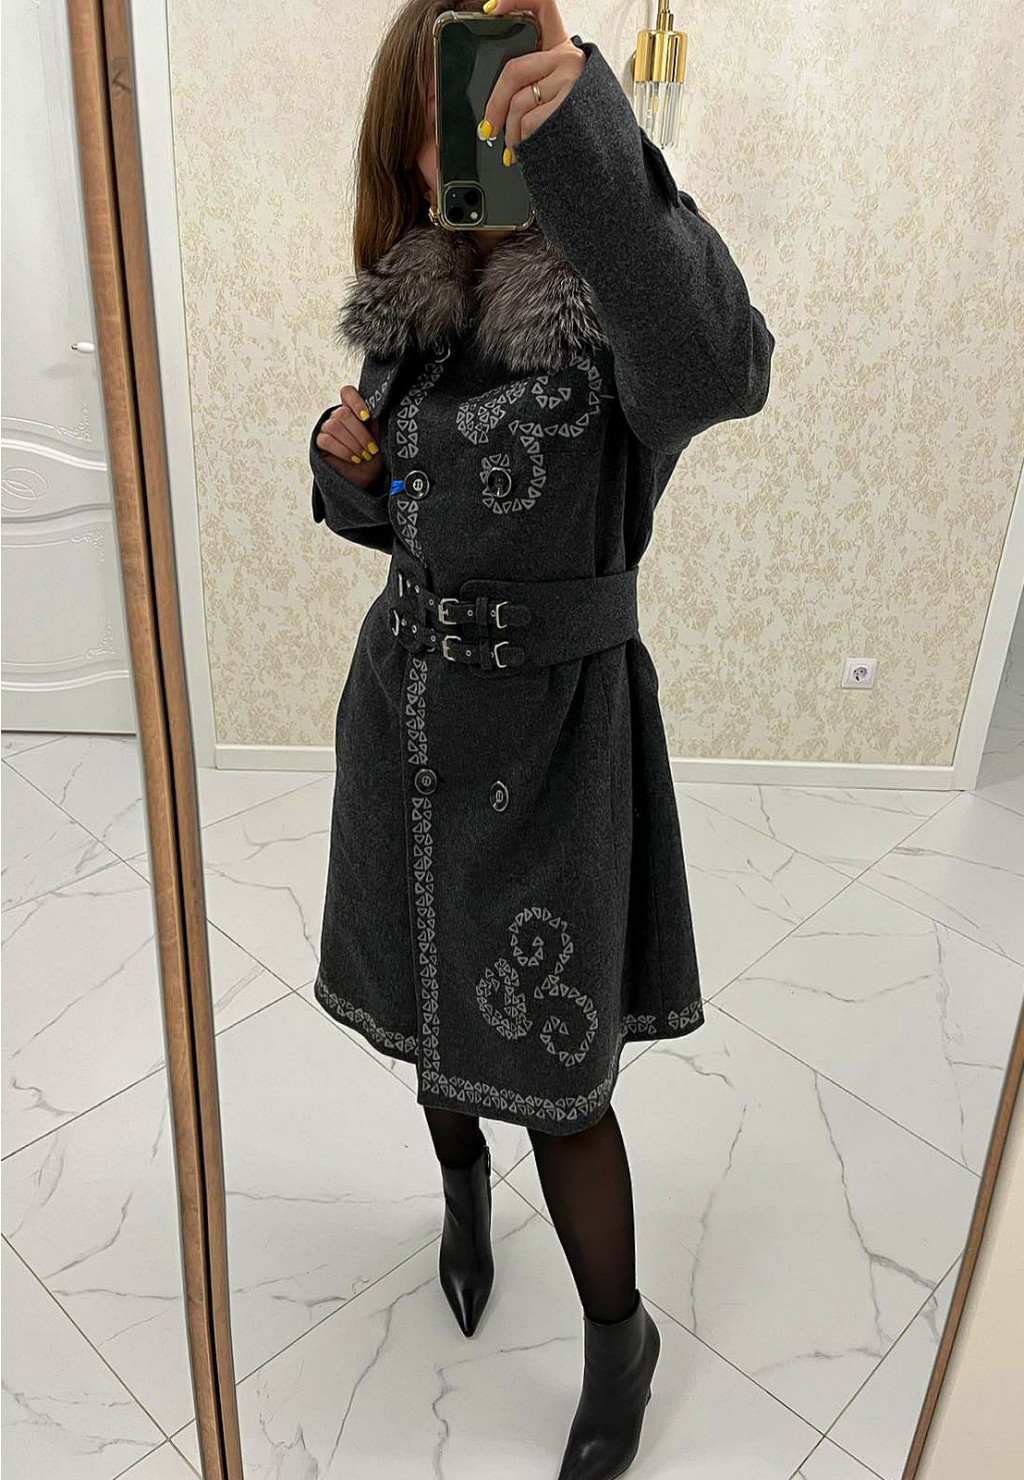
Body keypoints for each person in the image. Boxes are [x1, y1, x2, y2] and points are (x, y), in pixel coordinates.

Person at [308, 2, 774, 1475]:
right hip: (405, 722)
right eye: (445, 117)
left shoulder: (619, 314)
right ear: (407, 147)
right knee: (433, 1012)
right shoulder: (411, 306)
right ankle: (461, 1200)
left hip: (557, 739)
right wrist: (343, 470)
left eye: (506, 103)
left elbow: (725, 364)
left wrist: (588, 130)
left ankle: (617, 1336)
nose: (478, 134)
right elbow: (393, 516)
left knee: (560, 1084)